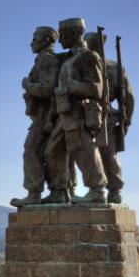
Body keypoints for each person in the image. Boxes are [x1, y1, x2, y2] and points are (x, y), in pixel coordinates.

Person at [43, 18, 108, 204]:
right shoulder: (69, 57)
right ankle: (60, 191)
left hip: (79, 113)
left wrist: (70, 86)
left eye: (62, 34)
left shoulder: (88, 56)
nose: (60, 39)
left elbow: (96, 89)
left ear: (72, 34)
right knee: (52, 151)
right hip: (64, 113)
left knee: (83, 150)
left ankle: (97, 190)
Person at [11, 27, 60, 207]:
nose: (31, 43)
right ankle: (45, 192)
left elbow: (48, 88)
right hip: (41, 115)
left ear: (47, 40)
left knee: (31, 150)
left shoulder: (47, 59)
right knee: (41, 152)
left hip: (45, 115)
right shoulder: (41, 59)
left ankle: (34, 194)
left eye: (35, 38)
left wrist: (28, 85)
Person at [84, 31, 135, 203]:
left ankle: (114, 190)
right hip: (91, 114)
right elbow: (129, 97)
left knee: (107, 153)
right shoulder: (110, 66)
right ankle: (110, 190)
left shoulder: (104, 66)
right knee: (103, 154)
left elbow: (127, 96)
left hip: (100, 115)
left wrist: (126, 120)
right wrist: (127, 119)